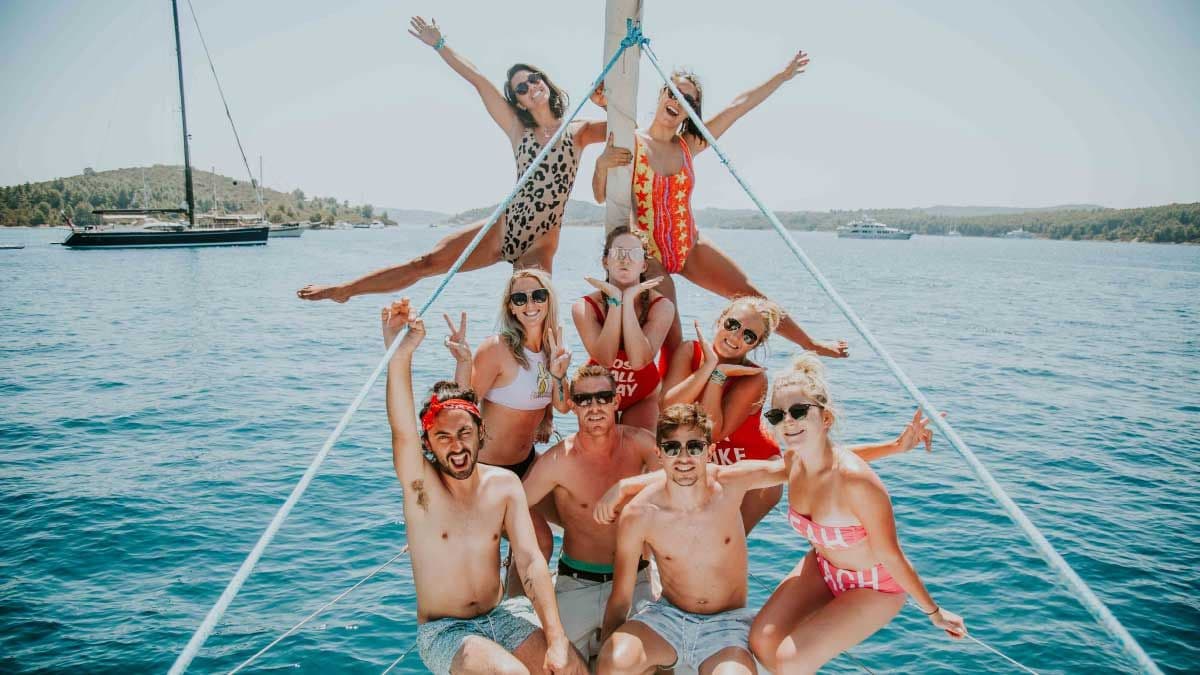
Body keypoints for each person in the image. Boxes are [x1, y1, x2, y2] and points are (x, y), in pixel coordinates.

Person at [297, 15, 609, 303]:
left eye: (534, 79)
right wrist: (440, 44)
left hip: (539, 242)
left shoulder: (578, 132)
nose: (531, 88)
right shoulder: (518, 128)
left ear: (545, 81)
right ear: (519, 102)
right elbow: (477, 79)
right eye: (522, 88)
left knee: (533, 305)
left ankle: (544, 362)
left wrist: (607, 104)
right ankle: (345, 290)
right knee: (426, 263)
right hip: (503, 227)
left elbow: (627, 131)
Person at [592, 53, 849, 357]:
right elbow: (599, 195)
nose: (678, 99)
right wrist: (601, 164)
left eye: (687, 98)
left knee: (754, 298)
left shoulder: (690, 145)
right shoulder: (632, 141)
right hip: (650, 253)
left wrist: (783, 75)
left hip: (690, 245)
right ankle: (672, 400)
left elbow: (739, 106)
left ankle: (810, 344)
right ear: (661, 95)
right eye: (673, 92)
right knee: (671, 328)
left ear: (689, 111)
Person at [379, 298, 585, 675]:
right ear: (428, 443)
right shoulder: (421, 487)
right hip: (447, 632)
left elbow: (530, 560)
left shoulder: (504, 485)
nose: (456, 445)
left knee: (574, 668)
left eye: (464, 433)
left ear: (480, 434)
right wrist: (399, 352)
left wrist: (557, 639)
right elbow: (401, 430)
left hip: (502, 615)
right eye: (443, 437)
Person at [747, 355, 966, 672]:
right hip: (823, 568)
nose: (788, 422)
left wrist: (934, 613)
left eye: (798, 411)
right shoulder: (796, 460)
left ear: (826, 419)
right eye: (778, 414)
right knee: (761, 640)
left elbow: (892, 555)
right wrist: (894, 445)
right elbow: (827, 457)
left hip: (874, 587)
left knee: (790, 662)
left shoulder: (857, 482)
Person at [662, 297, 924, 532]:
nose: (736, 336)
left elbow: (713, 432)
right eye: (732, 324)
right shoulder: (690, 351)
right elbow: (667, 407)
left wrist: (718, 377)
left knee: (721, 544)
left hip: (755, 472)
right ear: (720, 320)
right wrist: (709, 367)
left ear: (757, 343)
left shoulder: (753, 379)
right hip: (708, 463)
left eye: (749, 335)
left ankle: (896, 446)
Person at [595, 403, 786, 674]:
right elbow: (621, 599)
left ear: (710, 451)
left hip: (727, 624)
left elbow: (807, 466)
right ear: (659, 454)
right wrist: (607, 651)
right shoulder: (638, 514)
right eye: (673, 448)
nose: (683, 457)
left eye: (694, 447)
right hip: (667, 617)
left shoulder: (731, 484)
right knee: (614, 662)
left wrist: (861, 459)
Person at [519, 364, 663, 662]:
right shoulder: (559, 460)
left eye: (603, 397)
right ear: (572, 405)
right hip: (577, 584)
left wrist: (625, 486)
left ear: (616, 400)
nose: (594, 407)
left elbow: (683, 477)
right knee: (555, 665)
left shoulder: (640, 444)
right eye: (584, 399)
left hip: (636, 582)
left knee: (650, 665)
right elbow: (512, 505)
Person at [451, 269, 572, 479]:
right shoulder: (496, 348)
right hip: (487, 468)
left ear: (548, 301)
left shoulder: (553, 349)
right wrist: (463, 361)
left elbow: (563, 405)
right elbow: (462, 407)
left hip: (527, 462)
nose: (530, 304)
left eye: (538, 295)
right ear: (511, 308)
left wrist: (557, 382)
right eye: (519, 299)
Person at [571, 226, 674, 432]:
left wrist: (627, 300)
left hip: (642, 395)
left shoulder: (661, 306)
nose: (624, 260)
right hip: (597, 393)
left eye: (634, 254)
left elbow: (638, 361)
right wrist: (616, 301)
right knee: (598, 450)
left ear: (644, 265)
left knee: (638, 449)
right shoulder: (584, 307)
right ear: (605, 261)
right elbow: (606, 359)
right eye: (617, 253)